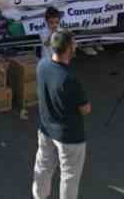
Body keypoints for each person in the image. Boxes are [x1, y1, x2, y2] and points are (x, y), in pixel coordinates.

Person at [34, 28, 89, 199]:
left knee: (43, 166)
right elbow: (85, 109)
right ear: (68, 49)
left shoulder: (42, 65)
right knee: (69, 176)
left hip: (45, 129)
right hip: (69, 137)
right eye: (73, 42)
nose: (76, 45)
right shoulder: (70, 79)